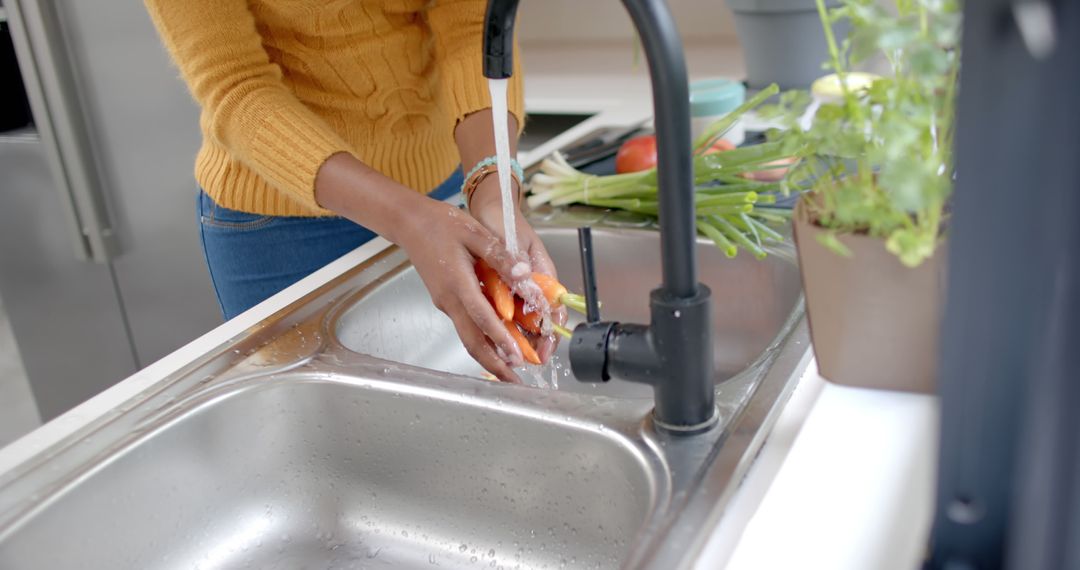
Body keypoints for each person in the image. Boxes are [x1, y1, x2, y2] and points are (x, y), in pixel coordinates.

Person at [144, 0, 564, 383]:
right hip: (281, 230)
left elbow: (473, 23)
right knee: (315, 435)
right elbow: (235, 86)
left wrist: (491, 191)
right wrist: (410, 220)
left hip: (444, 191)